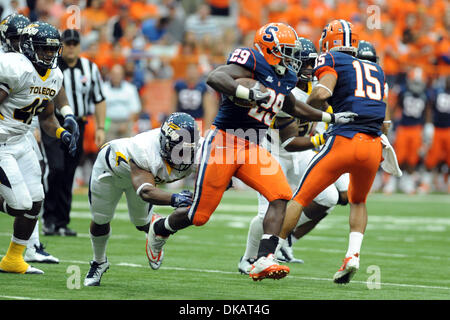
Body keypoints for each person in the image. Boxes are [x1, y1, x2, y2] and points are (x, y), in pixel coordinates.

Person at [145, 22, 357, 281]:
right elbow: (215, 77)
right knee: (199, 215)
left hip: (254, 145)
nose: (292, 57)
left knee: (280, 195)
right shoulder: (252, 60)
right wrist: (245, 91)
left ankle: (263, 258)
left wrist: (330, 118)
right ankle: (160, 227)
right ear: (269, 49)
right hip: (224, 143)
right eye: (286, 50)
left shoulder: (287, 76)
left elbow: (293, 106)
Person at [279, 19, 386, 284]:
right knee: (357, 201)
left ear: (330, 41)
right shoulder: (376, 69)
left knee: (301, 197)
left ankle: (268, 253)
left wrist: (311, 109)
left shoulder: (331, 59)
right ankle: (353, 255)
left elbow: (320, 92)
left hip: (344, 140)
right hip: (373, 145)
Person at [237, 37, 349, 274]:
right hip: (274, 152)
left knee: (329, 197)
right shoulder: (284, 89)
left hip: (302, 151)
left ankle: (284, 238)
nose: (310, 68)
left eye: (312, 63)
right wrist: (321, 138)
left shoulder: (318, 87)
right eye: (305, 63)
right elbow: (289, 142)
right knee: (265, 211)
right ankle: (247, 259)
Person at [84, 112, 200, 286]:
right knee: (101, 219)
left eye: (187, 150)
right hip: (110, 171)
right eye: (178, 150)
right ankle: (99, 261)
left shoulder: (200, 149)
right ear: (165, 143)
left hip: (144, 181)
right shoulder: (144, 150)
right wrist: (175, 198)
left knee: (141, 222)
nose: (182, 156)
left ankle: (156, 229)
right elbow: (145, 191)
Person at [0, 21, 77, 274]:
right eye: (43, 49)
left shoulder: (54, 75)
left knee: (35, 201)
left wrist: (61, 132)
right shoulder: (15, 67)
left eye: (52, 49)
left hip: (21, 139)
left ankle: (13, 259)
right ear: (30, 47)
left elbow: (45, 117)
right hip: (2, 142)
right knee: (19, 204)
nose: (48, 54)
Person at [41, 28, 106, 236]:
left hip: (78, 124)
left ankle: (61, 221)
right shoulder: (52, 67)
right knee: (56, 168)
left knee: (69, 172)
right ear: (61, 45)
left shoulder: (90, 68)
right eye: (66, 43)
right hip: (52, 122)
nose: (70, 47)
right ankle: (49, 218)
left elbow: (99, 99)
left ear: (79, 46)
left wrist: (101, 127)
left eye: (73, 43)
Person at [384, 67, 429, 194]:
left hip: (416, 128)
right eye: (415, 82)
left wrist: (427, 126)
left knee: (412, 158)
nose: (417, 85)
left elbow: (427, 112)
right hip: (403, 128)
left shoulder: (426, 94)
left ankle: (407, 182)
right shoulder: (403, 91)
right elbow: (395, 107)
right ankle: (392, 181)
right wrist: (390, 121)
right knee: (398, 156)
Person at [420, 75, 450, 193]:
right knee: (431, 158)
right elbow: (429, 108)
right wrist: (429, 124)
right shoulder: (438, 92)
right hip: (437, 129)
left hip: (448, 130)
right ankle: (426, 184)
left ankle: (446, 184)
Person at [172, 62, 217, 134]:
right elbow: (172, 106)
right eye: (190, 70)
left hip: (198, 122)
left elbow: (210, 110)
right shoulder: (179, 85)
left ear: (198, 72)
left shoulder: (203, 87)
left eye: (194, 70)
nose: (191, 73)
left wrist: (206, 128)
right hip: (181, 122)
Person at [104, 64, 142, 142]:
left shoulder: (130, 89)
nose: (116, 76)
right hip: (108, 122)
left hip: (126, 122)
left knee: (125, 148)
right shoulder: (103, 88)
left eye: (118, 74)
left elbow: (135, 109)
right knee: (108, 147)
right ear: (110, 74)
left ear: (123, 75)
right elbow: (99, 109)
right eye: (114, 74)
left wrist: (126, 124)